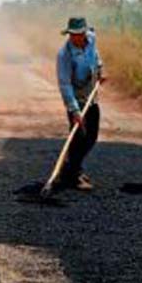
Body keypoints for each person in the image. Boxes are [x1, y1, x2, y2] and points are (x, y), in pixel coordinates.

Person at [56, 17, 103, 191]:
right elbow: (65, 84)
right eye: (72, 34)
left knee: (92, 136)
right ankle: (74, 175)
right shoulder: (64, 55)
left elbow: (96, 56)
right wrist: (74, 110)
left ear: (84, 32)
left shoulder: (91, 39)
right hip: (76, 99)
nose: (75, 38)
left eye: (78, 34)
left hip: (92, 96)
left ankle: (70, 168)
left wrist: (99, 69)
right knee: (77, 137)